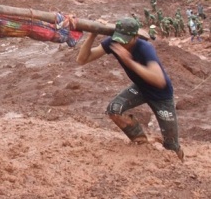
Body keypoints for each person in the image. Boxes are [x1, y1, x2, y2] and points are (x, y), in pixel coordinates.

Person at [76, 17, 184, 162]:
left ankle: (180, 164)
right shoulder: (114, 42)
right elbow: (82, 60)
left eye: (125, 40)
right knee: (114, 109)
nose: (121, 43)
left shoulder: (145, 48)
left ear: (135, 37)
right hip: (140, 88)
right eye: (119, 39)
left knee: (171, 145)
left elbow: (159, 80)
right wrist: (92, 35)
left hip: (161, 95)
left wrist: (129, 61)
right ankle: (141, 142)